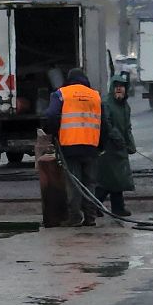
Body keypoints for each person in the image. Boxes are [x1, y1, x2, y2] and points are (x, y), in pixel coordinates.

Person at [42, 68, 103, 226]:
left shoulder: (61, 94)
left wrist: (53, 132)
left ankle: (75, 217)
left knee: (74, 183)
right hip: (91, 146)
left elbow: (50, 115)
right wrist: (101, 144)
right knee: (90, 183)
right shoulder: (95, 95)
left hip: (70, 145)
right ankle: (90, 218)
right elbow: (106, 123)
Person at [94, 75, 138, 218]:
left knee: (117, 180)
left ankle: (117, 208)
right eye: (117, 86)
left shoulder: (126, 106)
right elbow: (107, 124)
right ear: (112, 88)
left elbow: (128, 127)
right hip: (108, 147)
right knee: (106, 180)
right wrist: (117, 139)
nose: (119, 88)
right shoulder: (106, 103)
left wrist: (131, 144)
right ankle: (94, 205)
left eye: (122, 86)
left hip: (120, 148)